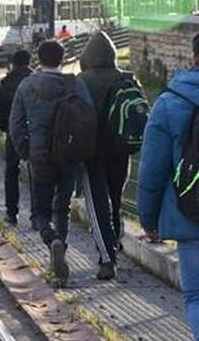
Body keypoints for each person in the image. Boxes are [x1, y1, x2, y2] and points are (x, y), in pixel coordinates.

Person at [9, 40, 91, 286]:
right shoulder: (75, 83)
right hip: (69, 156)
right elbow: (88, 117)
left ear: (38, 58)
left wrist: (26, 151)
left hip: (40, 156)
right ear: (63, 59)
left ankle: (51, 239)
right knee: (62, 208)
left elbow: (15, 124)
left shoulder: (27, 85)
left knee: (41, 211)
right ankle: (61, 259)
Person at [139, 34, 199, 339]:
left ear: (193, 58)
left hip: (190, 218)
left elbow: (151, 170)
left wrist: (148, 221)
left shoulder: (170, 102)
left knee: (197, 296)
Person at [78, 31, 135, 280]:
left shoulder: (81, 81)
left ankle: (106, 258)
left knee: (98, 204)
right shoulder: (127, 78)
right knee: (116, 198)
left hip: (91, 152)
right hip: (121, 151)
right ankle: (117, 239)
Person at [0, 50, 33, 226]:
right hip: (34, 134)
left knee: (11, 172)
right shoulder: (36, 81)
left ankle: (11, 212)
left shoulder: (6, 83)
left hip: (13, 134)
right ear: (29, 61)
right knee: (36, 174)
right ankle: (36, 215)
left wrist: (7, 128)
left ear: (14, 63)